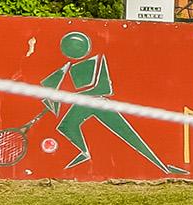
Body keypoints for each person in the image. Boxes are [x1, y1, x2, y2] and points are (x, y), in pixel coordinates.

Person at [40, 30, 182, 176]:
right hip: (84, 104)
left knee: (128, 134)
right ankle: (84, 152)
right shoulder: (67, 68)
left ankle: (163, 167)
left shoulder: (96, 61)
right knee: (66, 126)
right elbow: (48, 87)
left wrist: (71, 95)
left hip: (99, 103)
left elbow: (104, 88)